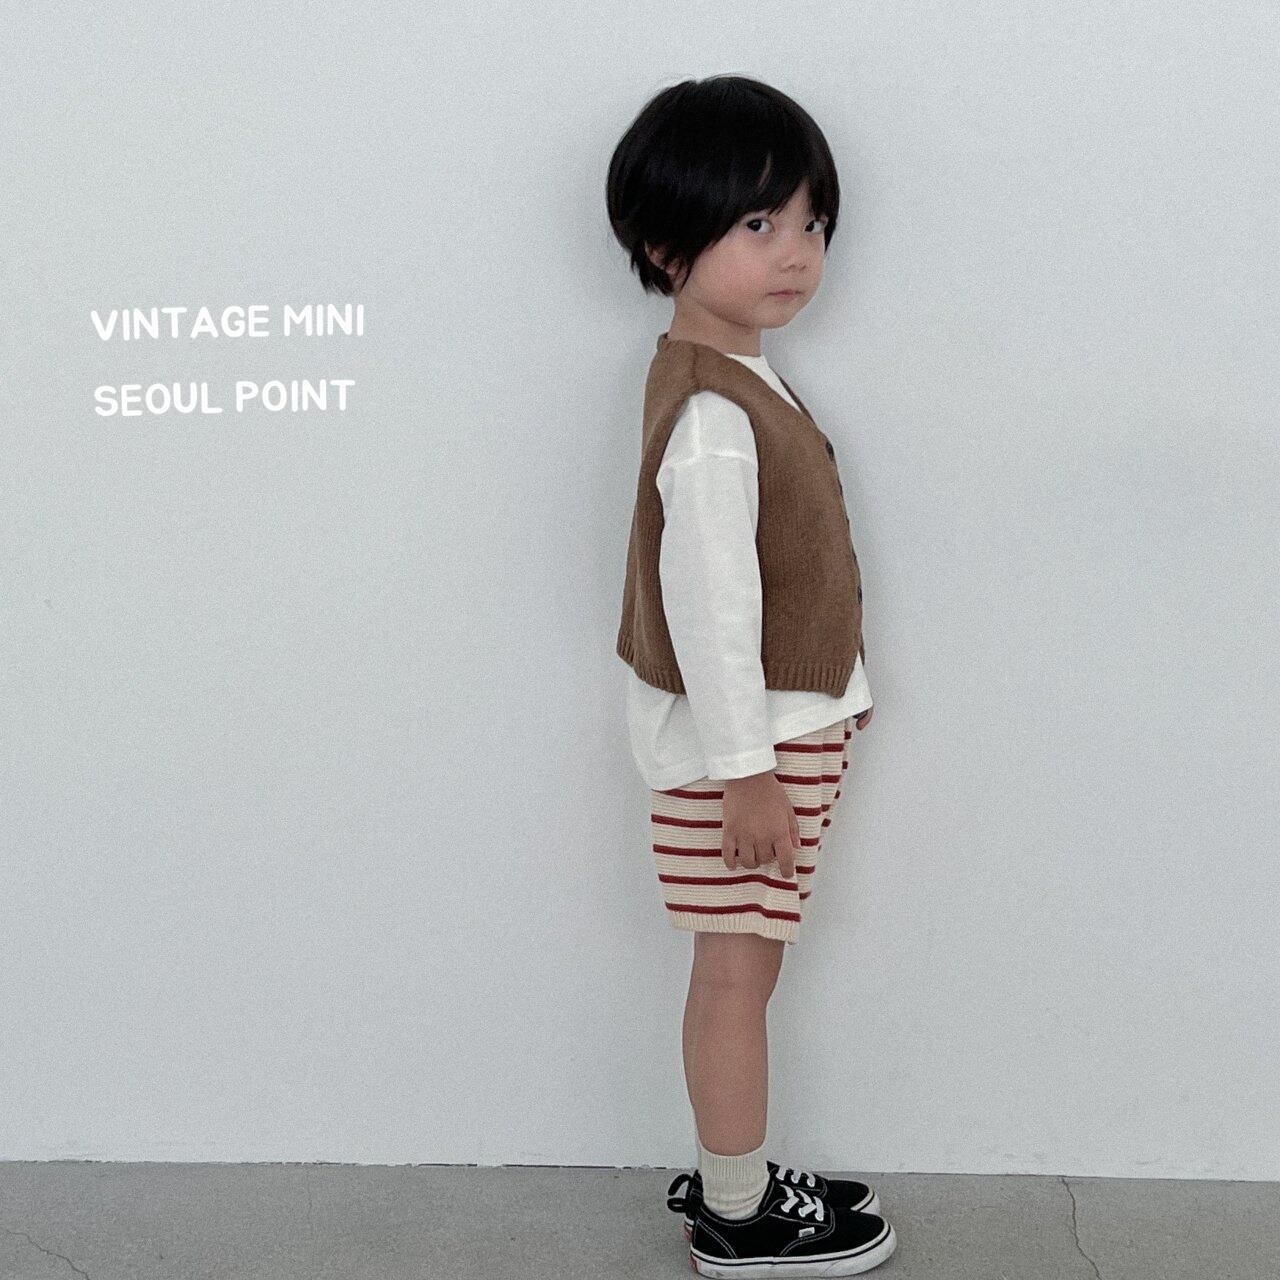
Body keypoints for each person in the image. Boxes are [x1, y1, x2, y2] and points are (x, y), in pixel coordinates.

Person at [606, 75, 897, 1276]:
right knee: (735, 967)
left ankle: (734, 1169)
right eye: (758, 222)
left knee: (746, 961)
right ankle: (736, 1209)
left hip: (770, 741)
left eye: (810, 221)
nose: (796, 251)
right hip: (748, 753)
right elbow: (711, 611)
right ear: (666, 244)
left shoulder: (729, 376)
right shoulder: (713, 418)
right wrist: (747, 774)